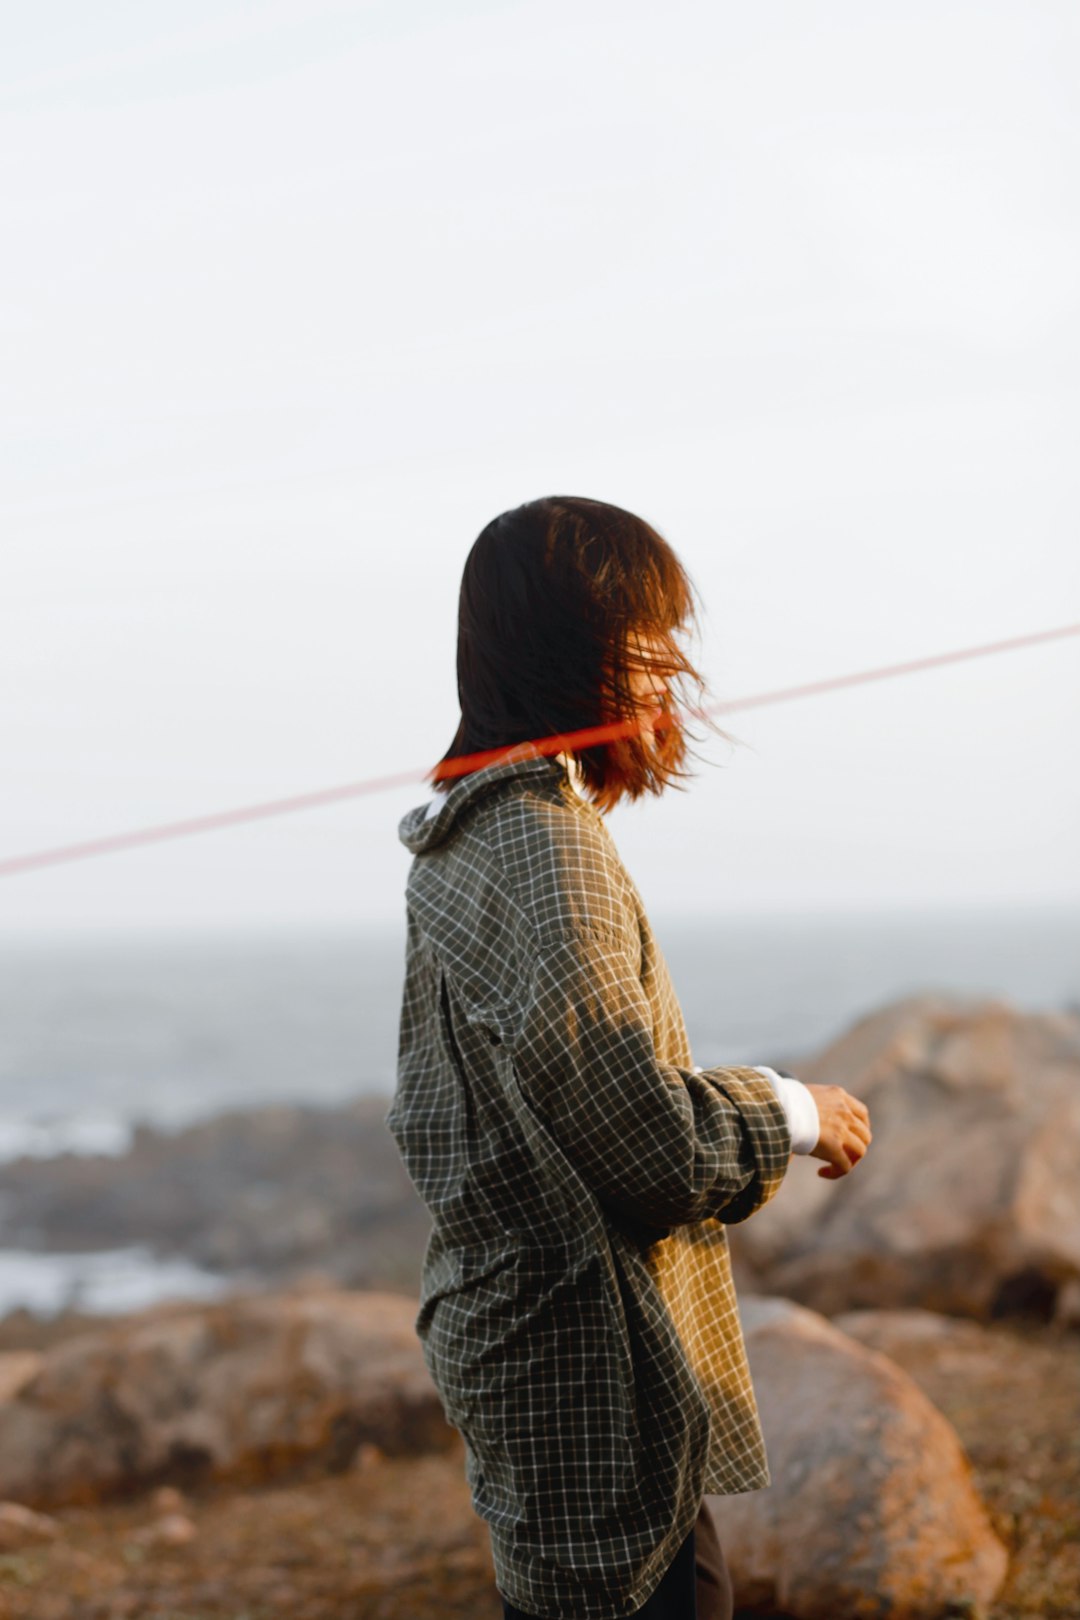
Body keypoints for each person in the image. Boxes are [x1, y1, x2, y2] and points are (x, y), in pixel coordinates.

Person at [385, 496, 872, 1619]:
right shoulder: (546, 851)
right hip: (589, 1383)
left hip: (536, 1361)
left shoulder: (465, 835)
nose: (674, 672)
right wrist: (794, 1108)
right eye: (649, 641)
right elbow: (643, 1146)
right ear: (579, 657)